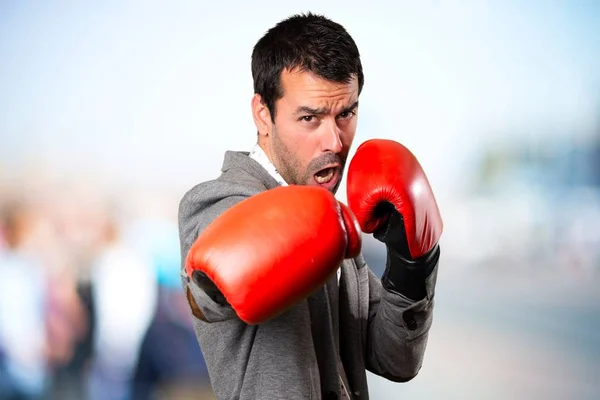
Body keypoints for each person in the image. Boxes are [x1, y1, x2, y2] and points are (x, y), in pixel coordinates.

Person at [178, 12, 443, 399]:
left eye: (345, 114)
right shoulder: (215, 202)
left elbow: (396, 360)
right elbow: (208, 291)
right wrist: (211, 286)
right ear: (263, 115)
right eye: (309, 118)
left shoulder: (335, 228)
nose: (334, 141)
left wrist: (411, 263)